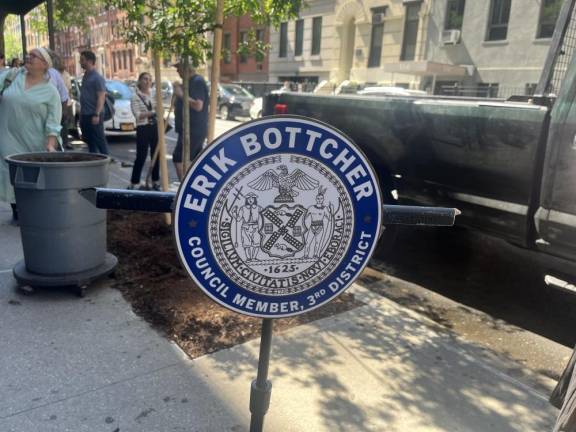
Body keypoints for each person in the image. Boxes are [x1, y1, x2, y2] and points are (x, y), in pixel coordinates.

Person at [0, 48, 61, 222]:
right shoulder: (12, 77)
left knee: (29, 176)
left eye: (34, 56)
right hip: (6, 136)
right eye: (28, 54)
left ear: (44, 64)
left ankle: (30, 210)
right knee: (9, 171)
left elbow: (53, 122)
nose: (28, 57)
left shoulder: (51, 92)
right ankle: (17, 212)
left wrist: (50, 144)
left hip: (33, 141)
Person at [172, 62, 208, 180]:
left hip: (193, 129)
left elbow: (198, 105)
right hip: (189, 129)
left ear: (186, 69)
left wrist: (181, 94)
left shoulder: (197, 81)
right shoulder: (189, 83)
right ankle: (192, 186)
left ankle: (185, 187)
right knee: (195, 160)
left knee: (179, 158)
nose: (177, 72)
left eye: (179, 69)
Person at [128, 72, 160, 190]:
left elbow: (159, 109)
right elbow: (137, 115)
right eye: (145, 79)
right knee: (141, 156)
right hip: (143, 128)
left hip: (154, 127)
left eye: (150, 79)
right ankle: (134, 181)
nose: (148, 81)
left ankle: (155, 181)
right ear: (140, 81)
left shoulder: (153, 94)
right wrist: (152, 113)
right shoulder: (135, 96)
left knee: (156, 155)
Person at [79, 50, 109, 155]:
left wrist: (96, 114)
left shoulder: (97, 78)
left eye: (82, 60)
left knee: (99, 139)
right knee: (90, 141)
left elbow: (101, 97)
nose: (80, 62)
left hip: (94, 114)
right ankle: (94, 161)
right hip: (86, 114)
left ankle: (106, 159)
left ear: (90, 61)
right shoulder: (86, 76)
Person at [231, 192, 262, 261]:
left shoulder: (258, 208)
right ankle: (248, 258)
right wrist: (234, 213)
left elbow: (263, 217)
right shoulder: (243, 208)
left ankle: (254, 258)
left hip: (256, 227)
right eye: (249, 199)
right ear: (246, 200)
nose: (250, 200)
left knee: (257, 243)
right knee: (246, 243)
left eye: (252, 198)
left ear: (254, 199)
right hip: (245, 227)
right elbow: (238, 219)